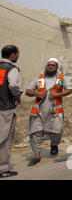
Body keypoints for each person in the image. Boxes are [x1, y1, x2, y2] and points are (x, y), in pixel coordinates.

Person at [25, 58, 72, 166]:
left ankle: (54, 144)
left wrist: (57, 95)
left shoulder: (62, 78)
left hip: (55, 111)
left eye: (53, 65)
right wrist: (36, 94)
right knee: (35, 133)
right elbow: (28, 91)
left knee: (57, 131)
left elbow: (70, 89)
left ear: (57, 67)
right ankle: (36, 156)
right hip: (38, 111)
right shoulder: (39, 78)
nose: (50, 67)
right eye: (49, 65)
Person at [0, 45, 22, 178]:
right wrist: (17, 94)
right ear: (12, 55)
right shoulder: (12, 69)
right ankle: (3, 169)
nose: (18, 56)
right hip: (6, 108)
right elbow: (13, 85)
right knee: (5, 139)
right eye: (17, 54)